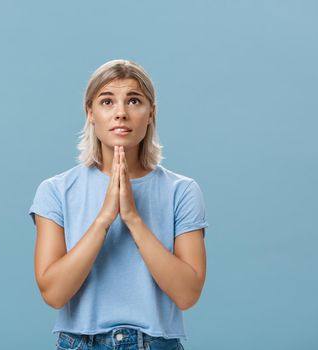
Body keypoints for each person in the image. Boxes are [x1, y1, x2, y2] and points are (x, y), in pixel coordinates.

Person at [28, 59, 209, 350]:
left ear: (151, 113)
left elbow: (187, 294)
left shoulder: (182, 191)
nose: (121, 113)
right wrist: (104, 219)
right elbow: (54, 294)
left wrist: (133, 219)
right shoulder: (55, 191)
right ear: (90, 113)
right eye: (107, 101)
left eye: (134, 100)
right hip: (79, 343)